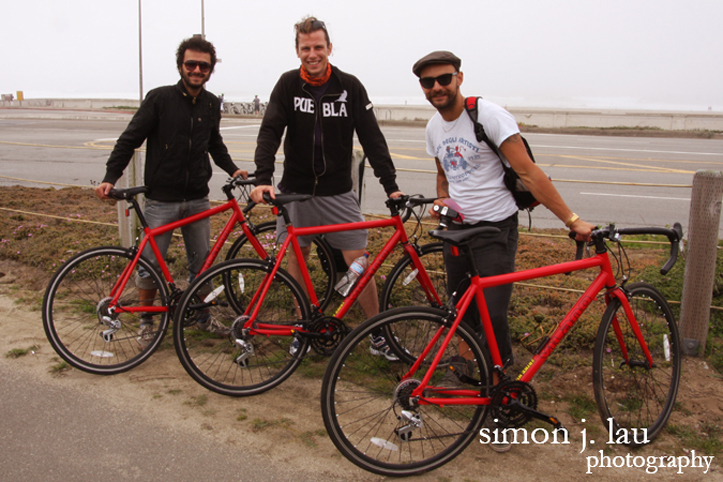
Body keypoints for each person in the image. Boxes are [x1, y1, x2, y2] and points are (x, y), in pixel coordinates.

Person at [414, 50, 594, 449]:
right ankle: (465, 370)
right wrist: (444, 204)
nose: (437, 88)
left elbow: (529, 172)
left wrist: (572, 220)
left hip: (495, 229)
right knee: (459, 308)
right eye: (428, 83)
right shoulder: (432, 128)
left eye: (444, 79)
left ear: (459, 78)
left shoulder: (490, 117)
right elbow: (443, 173)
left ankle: (503, 400)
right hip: (456, 229)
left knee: (493, 314)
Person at [250, 16, 403, 358]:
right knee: (297, 259)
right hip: (296, 191)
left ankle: (377, 334)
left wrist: (390, 185)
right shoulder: (288, 84)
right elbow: (270, 132)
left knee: (358, 261)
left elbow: (372, 138)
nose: (312, 54)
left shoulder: (349, 85)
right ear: (297, 50)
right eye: (306, 48)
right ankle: (303, 328)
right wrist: (263, 178)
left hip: (337, 192)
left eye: (318, 47)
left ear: (329, 48)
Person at [95, 36, 247, 347]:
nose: (196, 70)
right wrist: (111, 176)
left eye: (203, 65)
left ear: (210, 70)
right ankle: (146, 321)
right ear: (181, 65)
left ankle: (202, 317)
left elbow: (214, 144)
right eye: (191, 64)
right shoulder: (160, 99)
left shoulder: (210, 103)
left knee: (202, 263)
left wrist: (233, 169)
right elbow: (130, 139)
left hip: (197, 198)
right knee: (150, 264)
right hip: (161, 199)